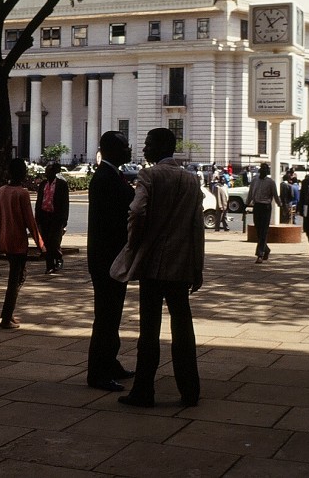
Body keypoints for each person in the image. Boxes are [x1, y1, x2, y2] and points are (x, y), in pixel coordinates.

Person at [110, 128, 203, 408]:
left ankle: (144, 390)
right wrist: (197, 265)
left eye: (148, 143)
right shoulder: (191, 179)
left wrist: (134, 241)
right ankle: (189, 390)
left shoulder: (149, 175)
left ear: (160, 147)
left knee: (149, 329)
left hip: (152, 262)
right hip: (181, 263)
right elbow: (197, 227)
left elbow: (137, 212)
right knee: (183, 326)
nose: (144, 148)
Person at [87, 131, 136, 392]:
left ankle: (110, 361)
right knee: (105, 317)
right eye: (125, 147)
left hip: (111, 257)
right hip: (107, 258)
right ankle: (98, 372)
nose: (129, 151)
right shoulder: (105, 178)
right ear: (112, 150)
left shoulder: (111, 175)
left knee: (112, 315)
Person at [0, 158, 45, 329]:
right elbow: (30, 222)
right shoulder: (22, 193)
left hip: (5, 240)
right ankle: (6, 315)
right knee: (16, 278)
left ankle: (8, 313)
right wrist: (41, 245)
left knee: (16, 276)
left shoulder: (2, 191)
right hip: (18, 242)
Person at [35, 162, 70, 274]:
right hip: (44, 216)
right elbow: (39, 200)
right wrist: (37, 217)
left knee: (54, 240)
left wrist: (64, 219)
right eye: (46, 170)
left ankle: (58, 258)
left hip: (56, 216)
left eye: (49, 170)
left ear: (54, 172)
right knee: (46, 241)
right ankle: (49, 265)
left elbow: (65, 203)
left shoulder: (61, 184)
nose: (46, 173)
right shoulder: (43, 184)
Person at [246, 163, 282, 263]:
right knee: (258, 230)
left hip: (266, 207)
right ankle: (266, 249)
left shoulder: (271, 182)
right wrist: (246, 204)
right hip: (257, 206)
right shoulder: (254, 181)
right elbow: (250, 193)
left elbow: (275, 195)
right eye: (261, 169)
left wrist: (280, 205)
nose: (263, 171)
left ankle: (259, 254)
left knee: (263, 231)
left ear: (267, 171)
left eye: (265, 169)